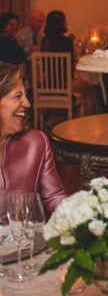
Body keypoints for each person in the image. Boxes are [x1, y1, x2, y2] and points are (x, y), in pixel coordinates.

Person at [0, 62, 68, 215]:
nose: (27, 103)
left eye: (25, 94)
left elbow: (53, 196)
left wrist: (82, 216)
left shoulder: (36, 143)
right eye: (18, 96)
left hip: (25, 238)